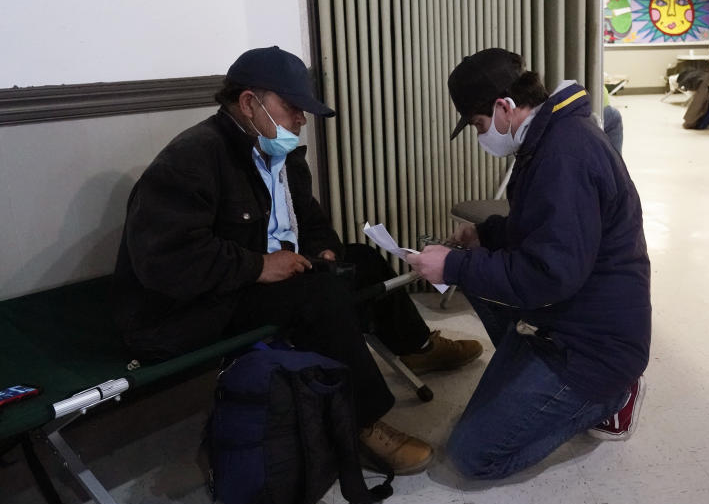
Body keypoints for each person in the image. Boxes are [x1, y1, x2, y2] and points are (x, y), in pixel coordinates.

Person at [113, 46, 480, 474]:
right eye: (292, 108)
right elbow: (166, 262)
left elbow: (311, 221)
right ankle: (362, 420)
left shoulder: (279, 155)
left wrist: (323, 249)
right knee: (317, 294)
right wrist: (259, 266)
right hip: (190, 306)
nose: (301, 120)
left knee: (358, 258)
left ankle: (417, 348)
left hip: (250, 278)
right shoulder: (191, 161)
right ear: (249, 103)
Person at [406, 48, 651, 480]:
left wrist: (454, 268)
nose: (482, 136)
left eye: (480, 125)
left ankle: (611, 396)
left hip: (595, 344)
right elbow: (544, 231)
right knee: (476, 264)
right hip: (571, 316)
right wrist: (488, 235)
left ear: (504, 107)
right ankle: (532, 368)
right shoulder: (550, 140)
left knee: (472, 455)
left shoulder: (564, 155)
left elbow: (548, 275)